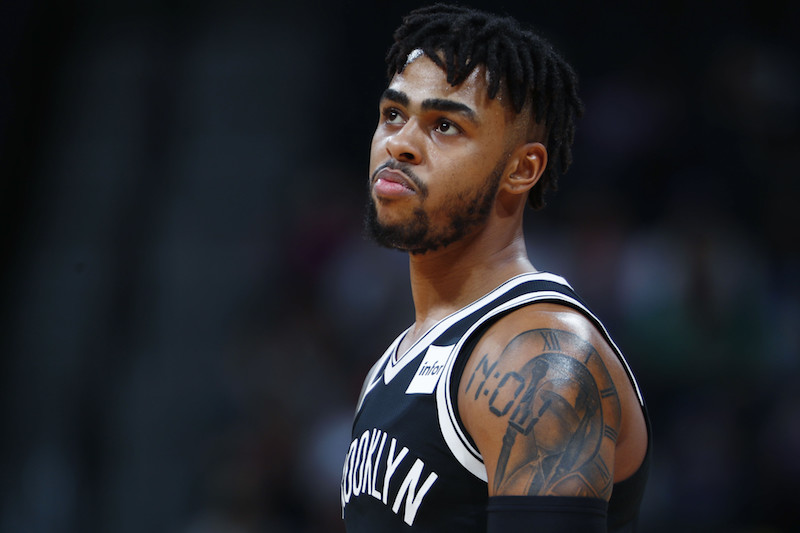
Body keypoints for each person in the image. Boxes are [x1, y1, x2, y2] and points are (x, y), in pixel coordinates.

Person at [340, 4, 651, 532]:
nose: (400, 143)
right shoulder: (392, 363)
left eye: (444, 125)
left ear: (522, 169)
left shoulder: (541, 356)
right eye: (393, 114)